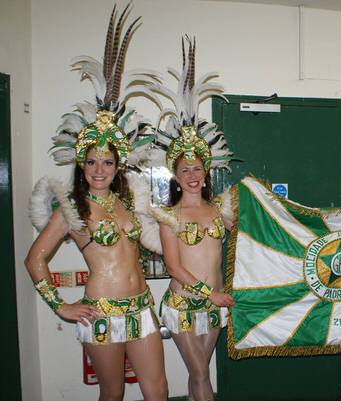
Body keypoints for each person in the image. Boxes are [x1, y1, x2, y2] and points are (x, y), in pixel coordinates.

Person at [25, 5, 167, 401]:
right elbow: (35, 258)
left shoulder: (128, 201)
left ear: (118, 164)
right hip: (101, 310)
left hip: (141, 307)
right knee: (113, 392)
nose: (99, 169)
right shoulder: (71, 208)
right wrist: (59, 306)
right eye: (91, 162)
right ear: (81, 164)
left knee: (158, 389)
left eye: (107, 162)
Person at [146, 37, 235, 401]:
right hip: (184, 303)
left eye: (197, 168)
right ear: (176, 176)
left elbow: (246, 241)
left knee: (201, 374)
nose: (192, 175)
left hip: (214, 303)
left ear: (206, 171)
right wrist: (209, 294)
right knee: (199, 370)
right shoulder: (169, 215)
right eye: (185, 170)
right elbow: (173, 265)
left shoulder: (220, 211)